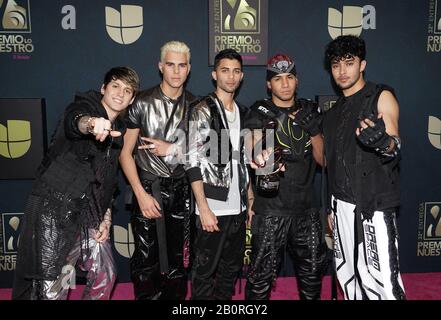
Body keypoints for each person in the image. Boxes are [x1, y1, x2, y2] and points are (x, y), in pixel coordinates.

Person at [12, 67, 140, 300]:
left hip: (90, 214)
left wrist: (106, 215)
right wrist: (92, 124)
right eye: (115, 86)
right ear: (103, 88)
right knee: (52, 287)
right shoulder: (84, 106)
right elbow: (76, 121)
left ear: (131, 99)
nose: (120, 93)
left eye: (127, 90)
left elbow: (108, 181)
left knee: (106, 273)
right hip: (55, 210)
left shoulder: (119, 133)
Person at [322, 35, 405, 300]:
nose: (342, 71)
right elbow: (331, 165)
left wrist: (383, 142)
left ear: (362, 64)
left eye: (349, 62)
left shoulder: (381, 96)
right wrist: (331, 208)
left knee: (382, 284)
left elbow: (394, 143)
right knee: (348, 277)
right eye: (336, 65)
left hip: (374, 205)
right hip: (341, 206)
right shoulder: (334, 113)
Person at [244, 53, 327, 300]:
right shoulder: (259, 112)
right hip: (271, 211)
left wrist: (313, 131)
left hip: (307, 211)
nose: (285, 83)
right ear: (269, 84)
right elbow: (252, 149)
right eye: (278, 79)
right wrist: (262, 156)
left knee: (312, 279)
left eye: (289, 77)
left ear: (297, 80)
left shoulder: (311, 111)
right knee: (260, 282)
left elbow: (323, 161)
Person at [119, 41, 195, 300]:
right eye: (170, 65)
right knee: (145, 262)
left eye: (181, 65)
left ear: (189, 69)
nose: (176, 71)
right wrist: (140, 194)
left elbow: (207, 156)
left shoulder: (198, 105)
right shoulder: (140, 102)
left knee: (180, 263)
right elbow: (125, 153)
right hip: (149, 190)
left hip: (184, 193)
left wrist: (173, 149)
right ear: (160, 67)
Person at [186, 48, 250, 300]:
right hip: (212, 206)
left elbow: (241, 161)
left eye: (235, 71)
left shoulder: (243, 112)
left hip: (237, 208)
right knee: (204, 273)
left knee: (229, 272)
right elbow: (191, 160)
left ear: (242, 76)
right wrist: (203, 207)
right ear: (214, 75)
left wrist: (250, 200)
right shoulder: (203, 109)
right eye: (225, 70)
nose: (230, 77)